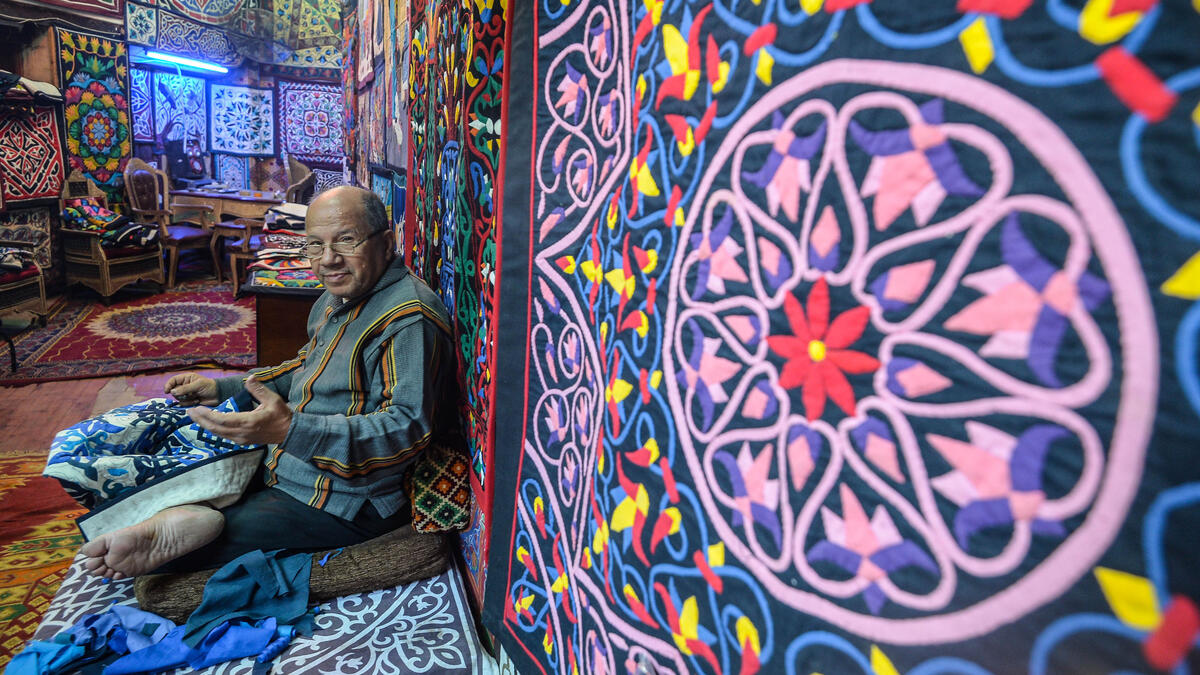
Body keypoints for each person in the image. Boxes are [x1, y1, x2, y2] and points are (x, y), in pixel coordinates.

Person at [80, 186, 458, 579]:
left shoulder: (408, 320)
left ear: (386, 242)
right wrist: (225, 388)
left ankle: (197, 528)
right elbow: (305, 367)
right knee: (180, 443)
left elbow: (408, 429)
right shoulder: (338, 297)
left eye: (346, 240)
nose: (328, 259)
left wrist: (292, 429)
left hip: (343, 498)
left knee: (195, 545)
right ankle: (195, 510)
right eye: (315, 245)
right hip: (289, 459)